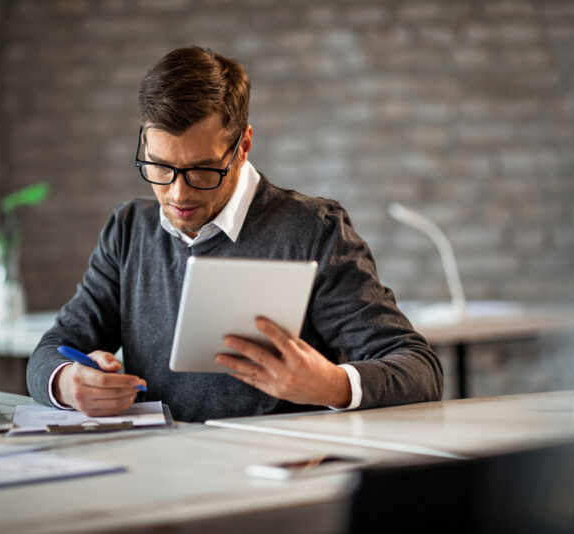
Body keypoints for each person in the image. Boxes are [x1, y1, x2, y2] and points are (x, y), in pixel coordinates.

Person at [26, 46, 443, 422]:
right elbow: (51, 351)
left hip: (274, 478)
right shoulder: (128, 231)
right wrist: (68, 383)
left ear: (243, 146)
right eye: (160, 167)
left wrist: (331, 384)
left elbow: (420, 369)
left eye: (202, 170)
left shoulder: (314, 231)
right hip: (155, 474)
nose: (177, 193)